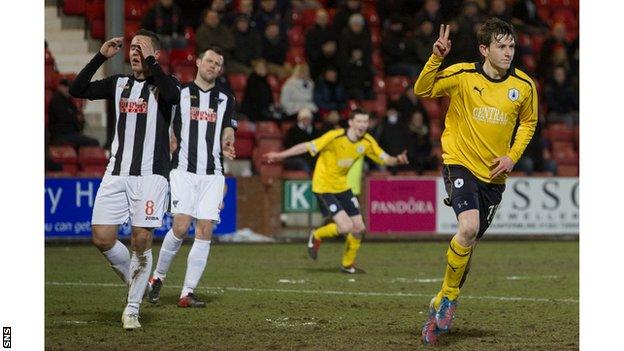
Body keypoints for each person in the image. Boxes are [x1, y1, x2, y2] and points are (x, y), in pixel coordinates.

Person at [413, 19, 537, 345]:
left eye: (511, 46)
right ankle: (450, 300)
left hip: (495, 176)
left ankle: (441, 301)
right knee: (467, 228)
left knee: (469, 244)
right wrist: (436, 58)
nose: (509, 52)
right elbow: (422, 90)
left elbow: (528, 122)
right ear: (484, 49)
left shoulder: (524, 86)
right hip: (460, 163)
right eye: (501, 46)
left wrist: (511, 156)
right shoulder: (463, 76)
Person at [69, 29, 180, 330]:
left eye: (140, 48)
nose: (134, 52)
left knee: (141, 239)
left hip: (151, 175)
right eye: (132, 47)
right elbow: (77, 90)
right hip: (116, 172)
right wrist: (100, 57)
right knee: (101, 237)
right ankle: (138, 281)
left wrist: (152, 63)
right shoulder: (119, 84)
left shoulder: (165, 86)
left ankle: (132, 308)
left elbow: (172, 96)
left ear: (154, 55)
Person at [147, 46, 237, 308]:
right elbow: (164, 123)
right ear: (198, 62)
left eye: (217, 64)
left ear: (220, 70)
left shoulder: (226, 98)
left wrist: (228, 143)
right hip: (184, 170)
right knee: (180, 226)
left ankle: (187, 293)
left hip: (213, 173)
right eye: (209, 61)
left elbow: (228, 129)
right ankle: (158, 277)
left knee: (205, 229)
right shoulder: (181, 94)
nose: (213, 66)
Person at [263, 110, 408, 273]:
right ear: (351, 123)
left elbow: (384, 158)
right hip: (323, 186)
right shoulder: (335, 136)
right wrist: (280, 155)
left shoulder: (367, 141)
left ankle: (347, 265)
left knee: (359, 228)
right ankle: (317, 234)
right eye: (359, 121)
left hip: (343, 187)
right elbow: (307, 146)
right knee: (346, 227)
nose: (362, 125)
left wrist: (397, 159)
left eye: (365, 122)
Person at [48, 78, 100, 147]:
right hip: (61, 134)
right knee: (94, 142)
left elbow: (76, 114)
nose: (68, 89)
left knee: (92, 141)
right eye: (66, 87)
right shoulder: (56, 100)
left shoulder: (68, 100)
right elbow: (64, 117)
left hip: (71, 132)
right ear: (60, 87)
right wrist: (76, 118)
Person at [282, 108, 320, 174]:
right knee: (302, 163)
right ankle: (308, 179)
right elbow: (288, 146)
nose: (306, 120)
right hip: (296, 157)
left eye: (308, 118)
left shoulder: (314, 131)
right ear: (300, 119)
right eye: (304, 118)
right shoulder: (292, 131)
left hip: (311, 155)